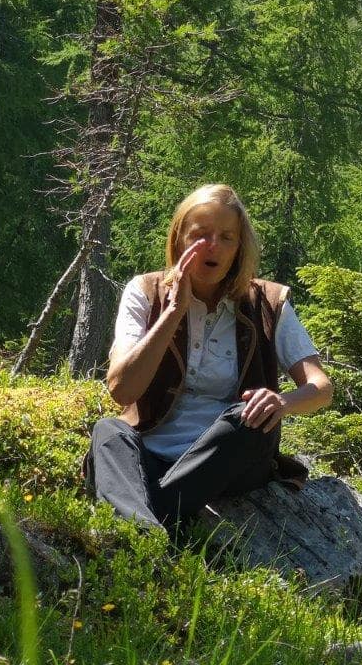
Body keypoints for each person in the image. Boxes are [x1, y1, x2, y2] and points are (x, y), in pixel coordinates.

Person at [85, 184, 333, 531]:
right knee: (108, 431)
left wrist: (281, 402)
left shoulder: (268, 303)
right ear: (179, 239)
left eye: (226, 237)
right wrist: (172, 314)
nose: (212, 246)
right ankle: (151, 528)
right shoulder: (145, 292)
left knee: (244, 419)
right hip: (153, 451)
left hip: (231, 457)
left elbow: (321, 387)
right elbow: (122, 391)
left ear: (239, 248)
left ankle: (137, 524)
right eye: (200, 235)